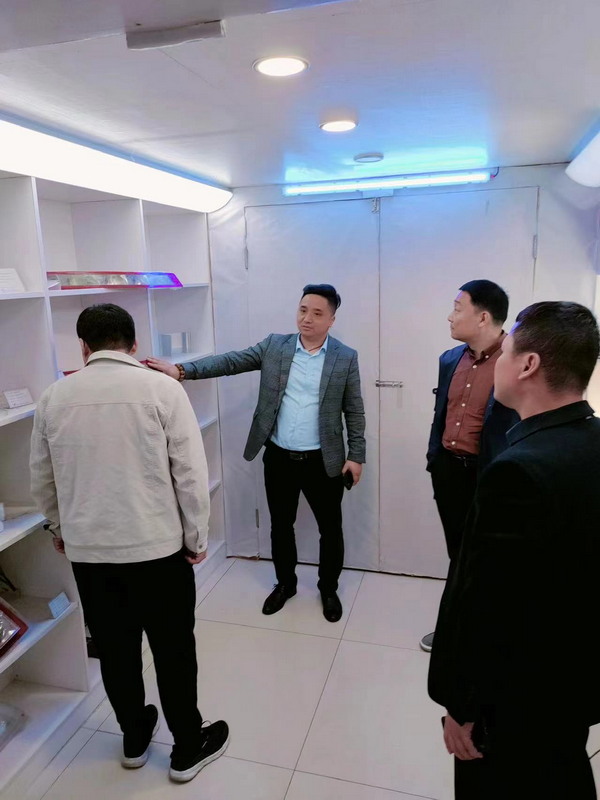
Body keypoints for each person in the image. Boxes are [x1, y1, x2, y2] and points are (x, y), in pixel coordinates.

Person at [30, 304, 229, 784]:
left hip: (91, 554)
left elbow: (42, 478)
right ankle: (187, 747)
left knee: (115, 650)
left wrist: (61, 530)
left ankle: (135, 737)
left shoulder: (54, 397)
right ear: (134, 343)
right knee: (173, 649)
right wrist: (196, 537)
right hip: (158, 549)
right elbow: (190, 473)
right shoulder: (162, 390)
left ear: (83, 347)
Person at [428, 301, 600, 800]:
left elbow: (487, 608)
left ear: (528, 365)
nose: (497, 361)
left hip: (515, 699)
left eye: (506, 352)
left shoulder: (518, 470)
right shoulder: (590, 441)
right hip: (573, 683)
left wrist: (461, 705)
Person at [147, 283, 366, 623]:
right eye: (302, 310)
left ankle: (328, 589)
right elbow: (232, 361)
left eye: (317, 313)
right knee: (281, 526)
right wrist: (184, 371)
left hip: (324, 460)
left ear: (331, 319)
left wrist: (356, 454)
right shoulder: (275, 346)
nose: (306, 318)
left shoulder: (345, 357)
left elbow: (354, 409)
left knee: (330, 529)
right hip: (279, 457)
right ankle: (286, 584)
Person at [421, 280, 518, 652]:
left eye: (457, 308)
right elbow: (440, 415)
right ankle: (460, 630)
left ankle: (472, 634)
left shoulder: (517, 361)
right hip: (449, 472)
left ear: (483, 317)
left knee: (486, 558)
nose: (450, 316)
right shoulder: (450, 359)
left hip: (490, 476)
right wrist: (435, 461)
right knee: (458, 553)